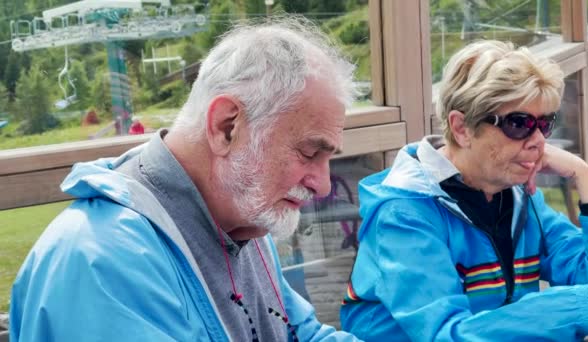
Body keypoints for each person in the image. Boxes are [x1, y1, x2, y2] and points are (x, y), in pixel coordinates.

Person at [10, 18, 362, 341]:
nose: (323, 184)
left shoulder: (241, 220)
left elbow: (299, 334)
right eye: (308, 152)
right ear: (227, 127)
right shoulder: (101, 263)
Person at [340, 40, 588, 341]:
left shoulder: (519, 196)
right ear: (462, 128)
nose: (538, 141)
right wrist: (571, 310)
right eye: (519, 124)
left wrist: (586, 180)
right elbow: (445, 335)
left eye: (544, 124)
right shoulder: (403, 213)